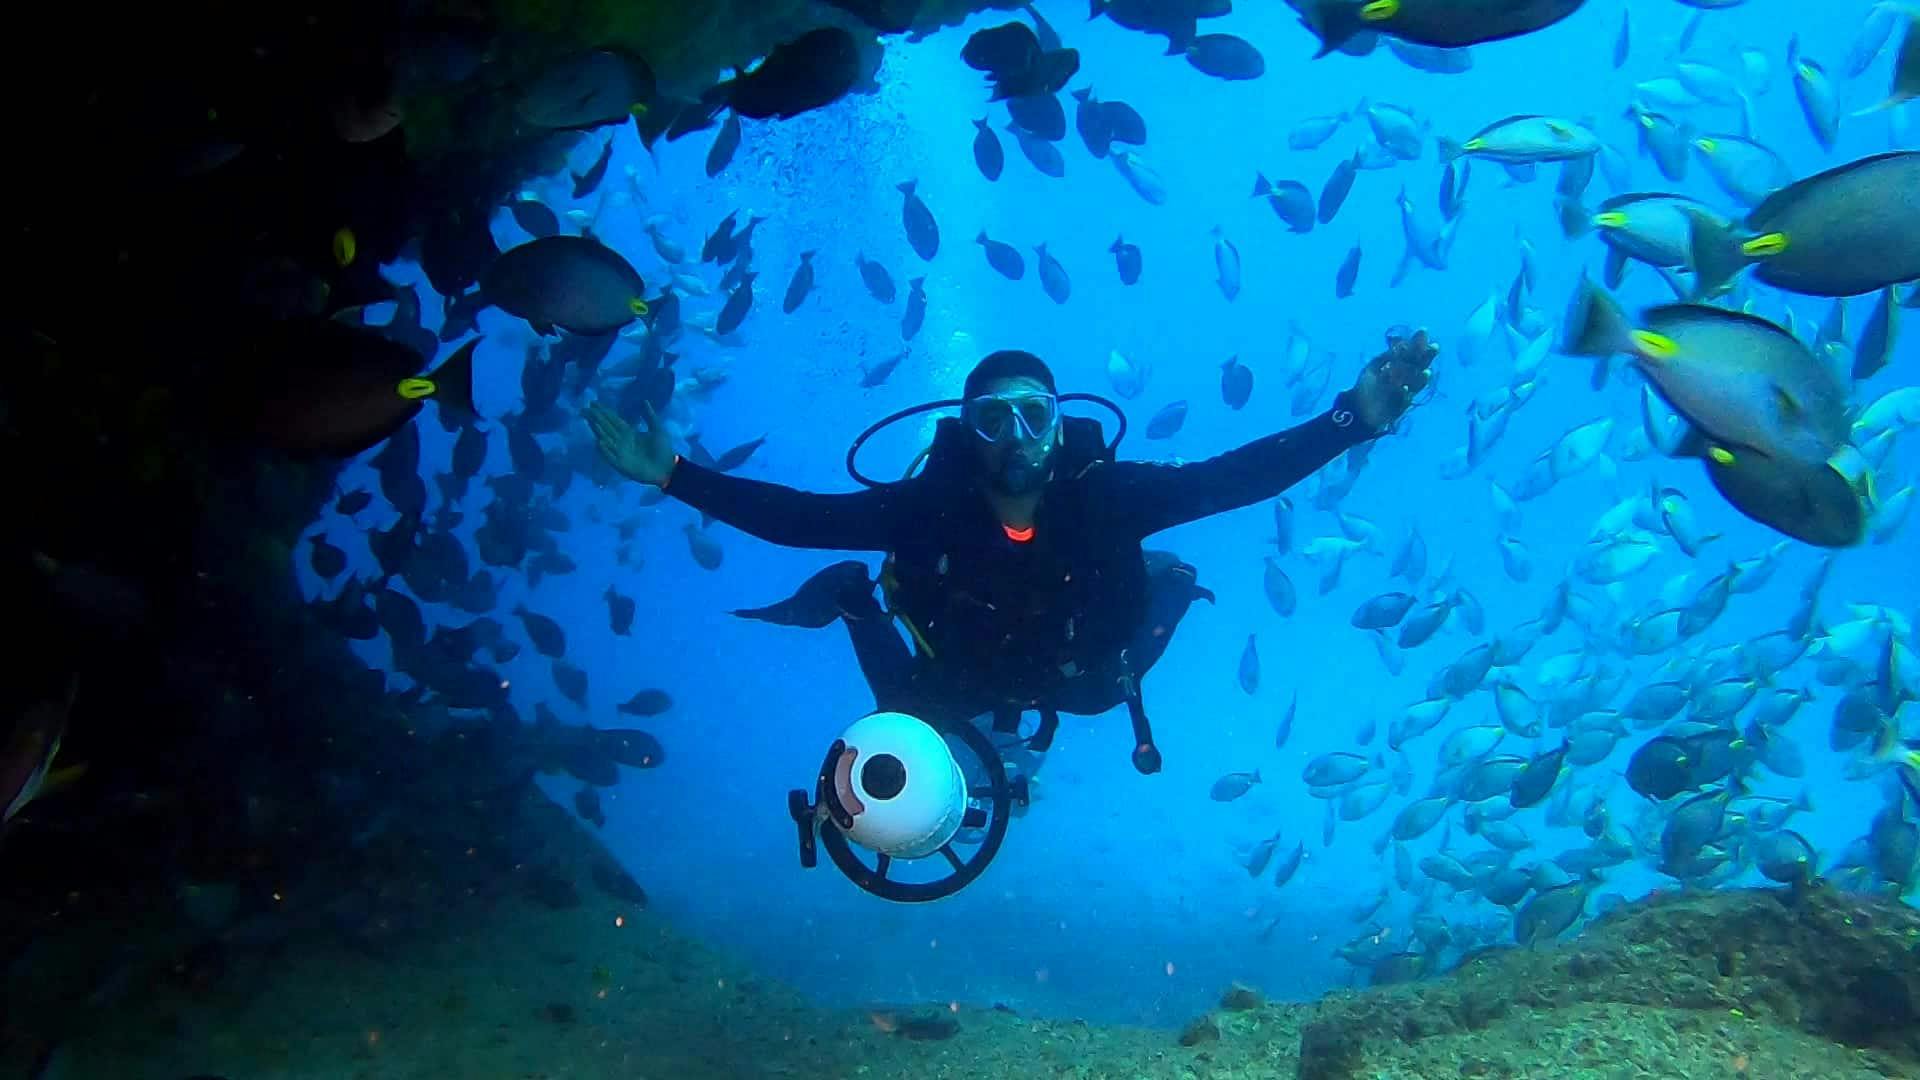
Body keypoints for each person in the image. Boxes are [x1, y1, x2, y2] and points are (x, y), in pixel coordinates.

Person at [586, 328, 1435, 774]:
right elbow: (802, 519)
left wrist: (1352, 416)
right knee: (912, 707)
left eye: (1034, 413)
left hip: (1084, 665)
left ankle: (1170, 583)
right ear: (967, 432)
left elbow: (1236, 476)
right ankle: (852, 597)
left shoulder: (1110, 493)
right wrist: (674, 476)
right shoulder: (929, 509)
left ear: (1061, 424)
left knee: (1113, 688)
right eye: (994, 418)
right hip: (969, 666)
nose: (1016, 436)